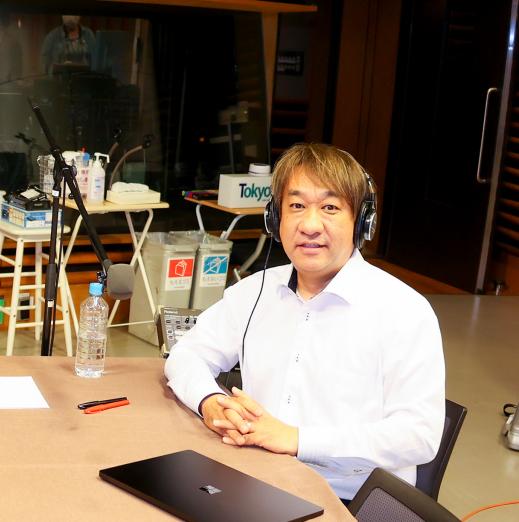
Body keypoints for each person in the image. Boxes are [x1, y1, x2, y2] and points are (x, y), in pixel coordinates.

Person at [164, 143, 444, 502]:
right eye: (296, 206)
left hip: (351, 502)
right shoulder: (254, 292)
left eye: (330, 208)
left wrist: (297, 440)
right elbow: (186, 354)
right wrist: (210, 401)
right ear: (275, 219)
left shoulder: (404, 310)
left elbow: (418, 436)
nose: (310, 225)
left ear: (361, 222)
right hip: (256, 480)